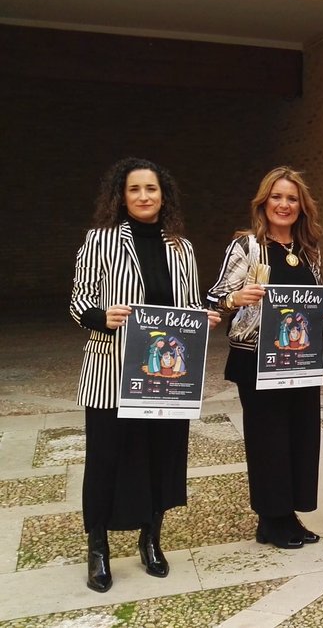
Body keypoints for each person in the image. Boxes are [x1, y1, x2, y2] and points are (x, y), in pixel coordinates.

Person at [69, 157, 221, 593]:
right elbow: (78, 301)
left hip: (167, 378)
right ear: (121, 195)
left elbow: (188, 304)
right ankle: (97, 546)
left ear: (163, 194)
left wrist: (202, 317)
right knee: (106, 458)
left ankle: (150, 539)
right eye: (134, 189)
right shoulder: (99, 240)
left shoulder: (182, 247)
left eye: (151, 189)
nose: (143, 196)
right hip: (112, 371)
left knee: (162, 456)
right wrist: (102, 316)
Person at [207, 167, 323, 549]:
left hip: (301, 358)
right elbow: (216, 296)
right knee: (268, 440)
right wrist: (238, 298)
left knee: (300, 437)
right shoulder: (248, 246)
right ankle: (271, 519)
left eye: (292, 198)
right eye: (277, 197)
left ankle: (289, 514)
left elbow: (310, 302)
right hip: (258, 360)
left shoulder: (308, 248)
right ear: (263, 202)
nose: (284, 205)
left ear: (302, 206)